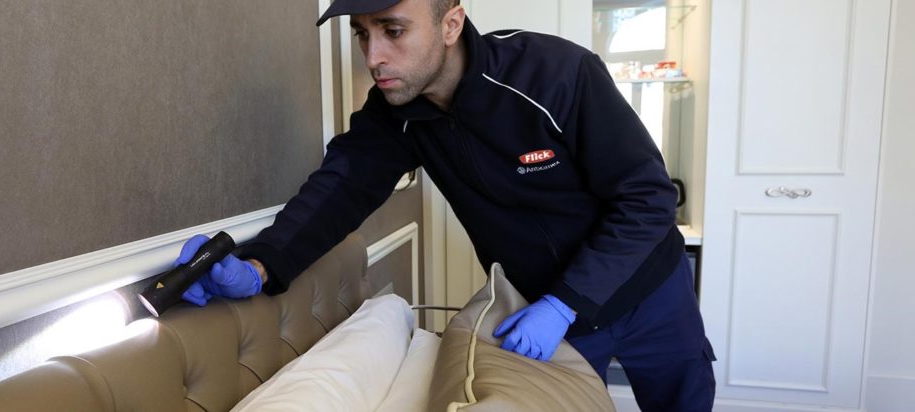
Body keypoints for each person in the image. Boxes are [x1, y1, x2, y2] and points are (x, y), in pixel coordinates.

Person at [174, 0, 715, 410]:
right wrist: (259, 264)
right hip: (545, 307)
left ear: (450, 25)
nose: (374, 57)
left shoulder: (556, 73)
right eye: (363, 34)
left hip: (647, 292)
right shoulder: (396, 112)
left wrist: (565, 302)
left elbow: (647, 199)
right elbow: (338, 190)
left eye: (394, 30)